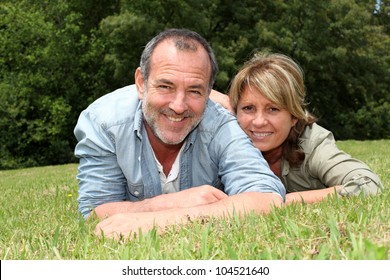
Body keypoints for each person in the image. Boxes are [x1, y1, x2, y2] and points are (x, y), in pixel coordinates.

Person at [74, 29, 285, 239]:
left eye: (194, 91)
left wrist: (162, 221)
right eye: (166, 86)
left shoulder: (222, 126)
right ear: (141, 83)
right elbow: (94, 215)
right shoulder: (103, 122)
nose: (178, 106)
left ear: (209, 91)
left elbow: (267, 199)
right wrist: (174, 202)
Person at [218, 52, 383, 205]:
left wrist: (287, 200)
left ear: (294, 116)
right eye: (248, 108)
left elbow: (367, 185)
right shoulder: (222, 139)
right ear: (235, 111)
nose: (259, 121)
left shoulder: (311, 143)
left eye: (273, 109)